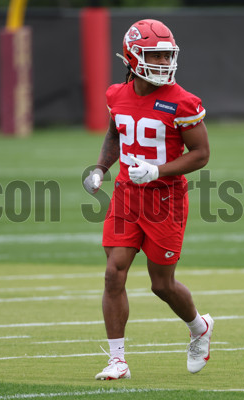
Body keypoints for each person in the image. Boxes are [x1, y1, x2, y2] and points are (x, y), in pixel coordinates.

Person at [83, 19, 213, 380]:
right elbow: (114, 134)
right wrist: (100, 168)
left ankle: (199, 327)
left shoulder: (183, 101)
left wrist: (158, 170)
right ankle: (117, 360)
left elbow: (201, 154)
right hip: (127, 195)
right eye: (153, 56)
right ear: (132, 57)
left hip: (165, 200)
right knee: (114, 273)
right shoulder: (116, 95)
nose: (162, 63)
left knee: (161, 284)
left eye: (165, 56)